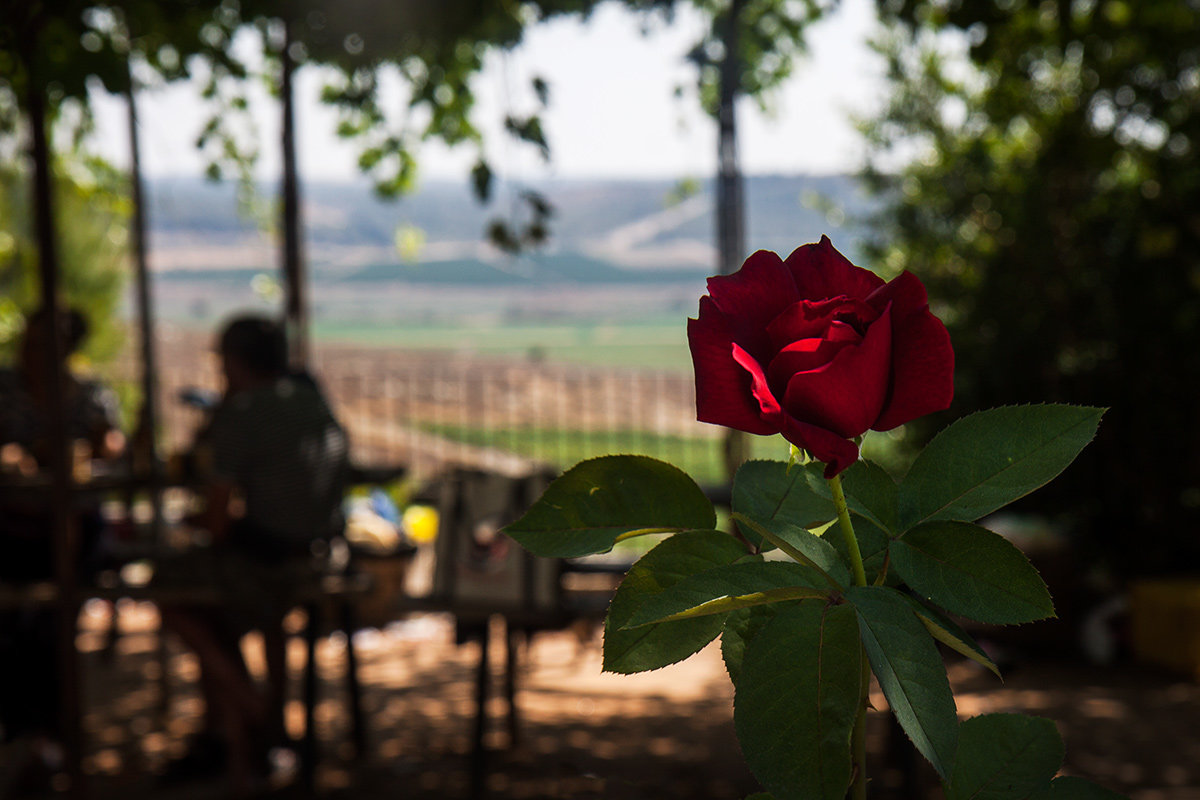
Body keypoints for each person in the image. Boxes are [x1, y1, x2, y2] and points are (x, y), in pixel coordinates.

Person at [160, 313, 349, 793]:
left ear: (232, 361)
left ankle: (254, 714)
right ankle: (241, 745)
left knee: (174, 598)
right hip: (316, 555)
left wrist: (195, 519)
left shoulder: (243, 414)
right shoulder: (311, 401)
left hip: (266, 563)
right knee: (221, 613)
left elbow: (218, 521)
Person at [0, 306, 125, 790]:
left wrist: (101, 448)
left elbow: (108, 447)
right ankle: (26, 735)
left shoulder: (90, 395)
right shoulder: (6, 388)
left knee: (53, 628)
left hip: (72, 535)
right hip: (12, 531)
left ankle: (49, 739)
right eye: (29, 344)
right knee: (14, 627)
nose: (32, 355)